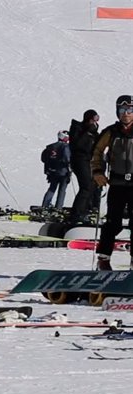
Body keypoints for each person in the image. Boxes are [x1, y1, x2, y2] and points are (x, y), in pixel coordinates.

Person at [92, 95, 133, 270]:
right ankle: (103, 258)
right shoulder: (111, 131)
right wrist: (97, 172)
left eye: (130, 110)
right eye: (123, 110)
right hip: (117, 183)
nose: (126, 114)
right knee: (112, 223)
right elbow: (97, 152)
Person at [68, 109, 100, 224]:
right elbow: (77, 144)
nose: (95, 122)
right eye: (93, 119)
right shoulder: (78, 129)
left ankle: (85, 210)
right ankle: (77, 214)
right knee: (86, 186)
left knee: (91, 186)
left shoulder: (93, 132)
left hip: (88, 161)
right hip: (79, 160)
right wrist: (88, 132)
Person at [40, 130, 71, 209]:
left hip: (52, 171)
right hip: (63, 172)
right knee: (62, 190)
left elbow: (43, 158)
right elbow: (67, 159)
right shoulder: (66, 147)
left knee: (52, 188)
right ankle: (58, 207)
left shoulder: (50, 147)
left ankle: (45, 205)